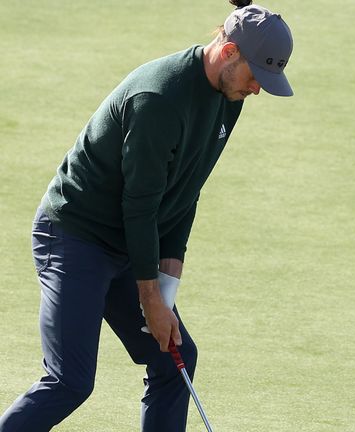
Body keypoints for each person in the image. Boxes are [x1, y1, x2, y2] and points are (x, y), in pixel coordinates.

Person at [0, 1, 293, 430]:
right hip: (75, 238)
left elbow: (185, 192)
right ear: (228, 51)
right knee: (70, 381)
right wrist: (151, 299)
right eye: (256, 77)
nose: (257, 90)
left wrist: (166, 292)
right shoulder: (159, 98)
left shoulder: (228, 95)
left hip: (126, 244)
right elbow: (139, 206)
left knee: (175, 361)